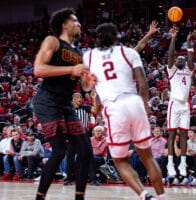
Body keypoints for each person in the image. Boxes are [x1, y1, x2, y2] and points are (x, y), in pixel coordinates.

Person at [81, 22, 165, 200]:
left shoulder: (89, 57)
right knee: (148, 157)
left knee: (119, 160)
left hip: (115, 107)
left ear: (96, 38)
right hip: (135, 103)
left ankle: (144, 195)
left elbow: (86, 86)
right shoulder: (129, 52)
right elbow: (143, 84)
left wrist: (92, 82)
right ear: (116, 37)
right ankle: (162, 197)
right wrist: (146, 106)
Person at [32, 8, 92, 200]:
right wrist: (71, 69)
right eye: (75, 21)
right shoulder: (53, 41)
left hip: (66, 104)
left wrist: (88, 82)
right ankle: (40, 197)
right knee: (58, 151)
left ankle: (79, 197)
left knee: (85, 151)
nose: (79, 24)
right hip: (48, 100)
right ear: (64, 24)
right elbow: (38, 69)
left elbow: (83, 85)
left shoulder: (79, 52)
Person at [166, 27, 195, 178]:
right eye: (179, 59)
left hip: (185, 105)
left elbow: (191, 58)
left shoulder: (188, 71)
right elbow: (171, 55)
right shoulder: (172, 71)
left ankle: (183, 163)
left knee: (184, 134)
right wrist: (173, 38)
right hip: (174, 104)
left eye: (182, 59)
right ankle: (170, 163)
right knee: (172, 134)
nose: (180, 60)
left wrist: (189, 42)